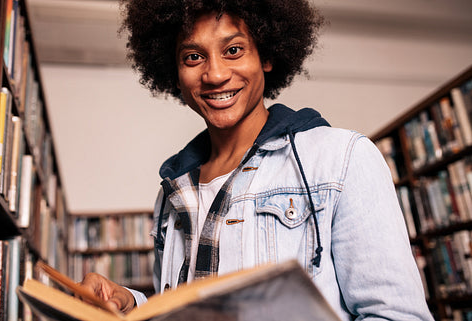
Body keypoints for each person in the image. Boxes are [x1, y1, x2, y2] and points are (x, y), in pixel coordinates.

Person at [80, 0, 434, 319]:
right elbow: (185, 307)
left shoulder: (342, 160)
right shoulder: (172, 191)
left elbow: (399, 317)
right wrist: (131, 303)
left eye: (233, 50)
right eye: (193, 56)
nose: (215, 74)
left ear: (266, 57)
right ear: (175, 72)